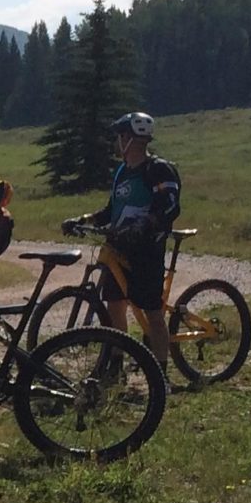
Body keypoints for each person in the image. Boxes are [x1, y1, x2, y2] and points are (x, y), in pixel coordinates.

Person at [67, 113, 181, 369]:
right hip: (118, 247)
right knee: (114, 307)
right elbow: (110, 211)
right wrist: (82, 219)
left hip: (146, 250)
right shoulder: (122, 172)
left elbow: (170, 206)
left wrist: (145, 225)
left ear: (129, 139)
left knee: (153, 313)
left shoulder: (158, 169)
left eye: (119, 137)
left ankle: (160, 374)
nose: (116, 143)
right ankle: (116, 364)